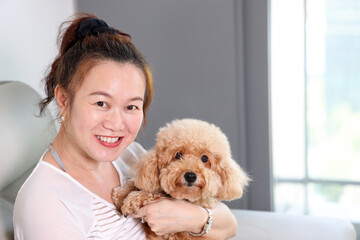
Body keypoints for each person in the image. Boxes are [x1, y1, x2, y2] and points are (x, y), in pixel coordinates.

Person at [13, 13, 237, 240]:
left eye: (131, 107)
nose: (116, 124)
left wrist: (193, 217)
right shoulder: (44, 205)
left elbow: (229, 224)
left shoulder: (129, 157)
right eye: (101, 103)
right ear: (63, 100)